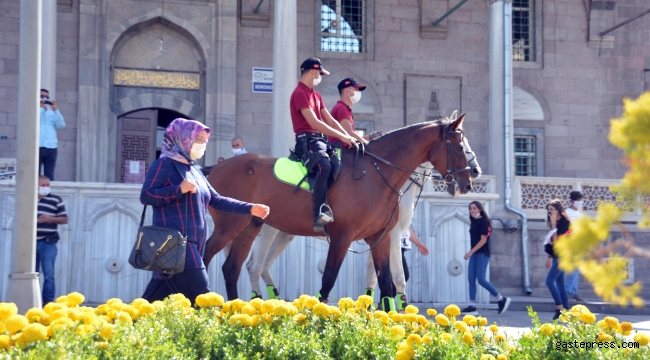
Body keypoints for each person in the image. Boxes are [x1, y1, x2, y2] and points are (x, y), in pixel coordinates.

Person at [140, 118, 270, 304]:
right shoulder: (164, 165)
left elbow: (217, 200)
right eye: (198, 139)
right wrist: (178, 190)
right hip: (176, 243)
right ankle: (218, 333)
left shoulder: (194, 170)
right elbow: (147, 196)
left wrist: (250, 207)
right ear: (183, 138)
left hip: (193, 243)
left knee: (152, 301)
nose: (202, 144)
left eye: (204, 141)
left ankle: (123, 328)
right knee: (205, 300)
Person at [289, 58, 355, 233]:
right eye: (320, 74)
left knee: (337, 165)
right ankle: (318, 212)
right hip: (307, 141)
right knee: (323, 166)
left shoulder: (316, 95)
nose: (320, 77)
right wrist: (343, 136)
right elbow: (315, 123)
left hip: (320, 141)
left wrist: (349, 136)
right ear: (313, 72)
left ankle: (329, 204)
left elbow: (330, 120)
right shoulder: (299, 93)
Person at [461, 201, 511, 315]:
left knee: (481, 279)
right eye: (470, 208)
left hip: (482, 254)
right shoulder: (474, 221)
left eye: (474, 208)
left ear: (479, 209)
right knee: (471, 279)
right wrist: (472, 253)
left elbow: (483, 240)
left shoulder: (484, 222)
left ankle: (501, 299)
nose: (472, 210)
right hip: (474, 254)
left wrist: (470, 252)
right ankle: (472, 306)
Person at [35, 175, 68, 305]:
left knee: (49, 274)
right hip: (30, 243)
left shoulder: (55, 200)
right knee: (32, 274)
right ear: (36, 185)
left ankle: (47, 303)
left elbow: (64, 219)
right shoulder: (29, 199)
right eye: (43, 185)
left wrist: (50, 218)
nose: (46, 188)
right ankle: (34, 300)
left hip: (48, 242)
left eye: (47, 185)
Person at [544, 199, 571, 320]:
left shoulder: (564, 222)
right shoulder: (556, 222)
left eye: (552, 210)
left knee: (549, 281)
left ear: (559, 210)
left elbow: (557, 241)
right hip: (557, 255)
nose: (550, 212)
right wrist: (549, 257)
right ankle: (566, 309)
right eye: (549, 210)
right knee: (560, 283)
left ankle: (559, 308)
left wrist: (554, 224)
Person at [327, 78, 369, 154]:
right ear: (347, 91)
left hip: (342, 152)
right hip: (340, 153)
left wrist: (369, 137)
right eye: (356, 89)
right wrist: (368, 145)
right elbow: (349, 133)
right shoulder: (342, 108)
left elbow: (350, 136)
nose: (358, 92)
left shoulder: (344, 108)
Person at [39, 89, 66, 181]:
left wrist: (55, 110)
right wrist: (41, 108)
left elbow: (61, 125)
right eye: (42, 96)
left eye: (47, 97)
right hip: (37, 147)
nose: (44, 99)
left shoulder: (51, 114)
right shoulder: (32, 112)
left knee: (49, 175)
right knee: (34, 174)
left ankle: (49, 193)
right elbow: (31, 121)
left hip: (51, 148)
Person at [564, 191, 584, 302]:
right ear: (571, 201)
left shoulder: (580, 215)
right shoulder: (566, 213)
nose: (579, 202)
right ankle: (567, 291)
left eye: (580, 200)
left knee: (577, 270)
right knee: (575, 269)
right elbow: (564, 230)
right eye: (577, 200)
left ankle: (573, 292)